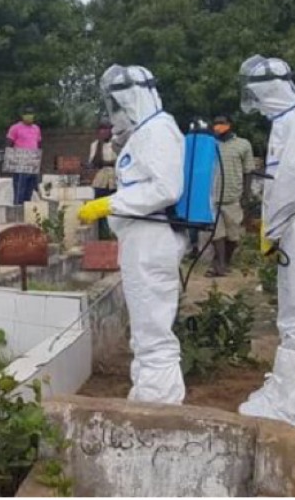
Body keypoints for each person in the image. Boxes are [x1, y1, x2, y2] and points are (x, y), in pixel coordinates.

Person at [77, 64, 187, 404]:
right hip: (141, 238)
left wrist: (110, 203)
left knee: (153, 322)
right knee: (144, 319)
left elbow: (167, 188)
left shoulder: (158, 131)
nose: (117, 111)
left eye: (121, 103)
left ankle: (161, 399)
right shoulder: (145, 133)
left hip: (153, 239)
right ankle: (149, 391)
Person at [236, 55, 295, 428]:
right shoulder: (287, 123)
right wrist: (272, 228)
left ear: (270, 90)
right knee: (291, 310)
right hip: (292, 221)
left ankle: (293, 407)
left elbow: (293, 183)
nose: (256, 103)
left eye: (257, 95)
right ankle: (284, 392)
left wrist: (271, 229)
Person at [208, 114, 255, 277]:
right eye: (215, 123)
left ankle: (225, 261)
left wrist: (246, 195)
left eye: (221, 123)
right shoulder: (210, 145)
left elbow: (248, 170)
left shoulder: (243, 145)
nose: (218, 126)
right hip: (213, 197)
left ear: (230, 124)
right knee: (217, 234)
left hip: (233, 197)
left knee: (233, 237)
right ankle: (219, 265)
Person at [87, 119, 117, 239]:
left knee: (115, 209)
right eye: (101, 129)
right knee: (100, 210)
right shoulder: (95, 145)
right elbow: (93, 163)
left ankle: (115, 235)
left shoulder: (117, 143)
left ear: (111, 130)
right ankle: (102, 236)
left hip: (116, 181)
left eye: (106, 128)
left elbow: (121, 161)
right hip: (100, 182)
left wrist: (107, 163)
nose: (103, 131)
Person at [6, 107, 42, 205]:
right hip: (20, 163)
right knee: (19, 189)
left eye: (31, 114)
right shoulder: (15, 128)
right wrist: (11, 161)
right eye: (27, 114)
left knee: (30, 189)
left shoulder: (36, 129)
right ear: (22, 116)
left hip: (32, 163)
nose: (29, 116)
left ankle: (27, 209)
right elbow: (9, 144)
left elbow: (38, 145)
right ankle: (18, 209)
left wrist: (37, 160)